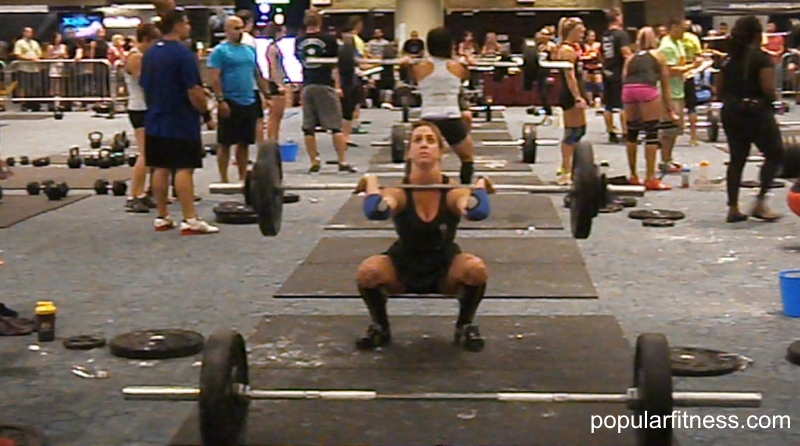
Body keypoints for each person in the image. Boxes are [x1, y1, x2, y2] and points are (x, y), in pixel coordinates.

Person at [354, 121, 490, 352]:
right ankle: (380, 327)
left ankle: (465, 326)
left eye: (430, 140)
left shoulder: (452, 190)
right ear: (409, 152)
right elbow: (377, 211)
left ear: (440, 151)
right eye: (417, 140)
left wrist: (479, 187)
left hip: (444, 265)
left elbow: (476, 211)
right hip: (403, 264)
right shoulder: (400, 191)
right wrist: (372, 182)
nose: (424, 145)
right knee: (368, 272)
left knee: (476, 270)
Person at [140, 9, 218, 234]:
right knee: (185, 168)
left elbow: (146, 85)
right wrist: (205, 113)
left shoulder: (151, 53)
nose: (189, 27)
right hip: (180, 120)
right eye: (186, 23)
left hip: (156, 118)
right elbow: (194, 90)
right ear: (176, 25)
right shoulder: (183, 54)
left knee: (161, 168)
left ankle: (162, 217)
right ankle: (190, 219)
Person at [717, 16, 783, 223]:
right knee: (775, 153)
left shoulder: (727, 59)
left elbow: (718, 90)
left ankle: (733, 207)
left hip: (730, 111)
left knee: (737, 158)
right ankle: (760, 202)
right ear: (757, 34)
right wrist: (775, 100)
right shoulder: (762, 58)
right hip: (755, 112)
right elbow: (768, 88)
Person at [408, 26, 477, 185]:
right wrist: (469, 62)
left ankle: (410, 190)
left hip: (428, 119)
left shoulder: (418, 67)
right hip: (451, 119)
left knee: (414, 157)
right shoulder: (459, 67)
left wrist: (406, 61)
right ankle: (465, 191)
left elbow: (409, 75)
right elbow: (468, 76)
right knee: (467, 158)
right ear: (450, 45)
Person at [208, 16, 270, 184]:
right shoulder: (220, 51)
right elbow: (214, 78)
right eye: (235, 28)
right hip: (230, 100)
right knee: (225, 142)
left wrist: (267, 93)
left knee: (244, 143)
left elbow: (257, 73)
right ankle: (224, 178)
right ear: (227, 30)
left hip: (248, 100)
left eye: (241, 27)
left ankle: (243, 177)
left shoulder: (249, 50)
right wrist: (221, 100)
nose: (240, 31)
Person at [295, 9, 356, 173]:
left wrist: (301, 87)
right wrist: (337, 86)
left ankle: (314, 160)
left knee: (308, 127)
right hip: (325, 85)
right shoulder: (329, 40)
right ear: (320, 22)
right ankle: (342, 161)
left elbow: (302, 64)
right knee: (336, 127)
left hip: (308, 85)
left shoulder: (298, 41)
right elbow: (335, 66)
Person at [622, 27, 678, 191]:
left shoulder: (630, 57)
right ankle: (650, 178)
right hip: (647, 89)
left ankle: (633, 176)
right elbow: (665, 85)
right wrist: (670, 110)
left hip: (628, 91)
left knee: (632, 134)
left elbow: (625, 78)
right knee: (651, 134)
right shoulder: (658, 56)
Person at [124, 23, 162, 213]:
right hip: (140, 109)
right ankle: (134, 196)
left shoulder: (144, 56)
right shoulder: (136, 57)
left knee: (153, 154)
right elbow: (145, 83)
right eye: (154, 42)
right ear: (146, 40)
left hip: (149, 107)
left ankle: (144, 192)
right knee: (145, 155)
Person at [658, 18, 698, 174]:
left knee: (676, 129)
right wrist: (691, 66)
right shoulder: (667, 46)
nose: (684, 32)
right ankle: (664, 160)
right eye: (682, 28)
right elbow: (668, 71)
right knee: (669, 128)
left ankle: (669, 159)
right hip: (669, 92)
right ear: (673, 27)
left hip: (678, 89)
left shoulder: (679, 43)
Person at [554, 18, 588, 186]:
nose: (583, 35)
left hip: (576, 93)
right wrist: (577, 97)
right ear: (572, 31)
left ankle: (573, 167)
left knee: (580, 131)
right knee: (572, 133)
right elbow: (570, 76)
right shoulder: (566, 50)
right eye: (580, 31)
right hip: (569, 95)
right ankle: (565, 170)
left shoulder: (573, 49)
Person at [600, 8, 632, 144]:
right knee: (622, 104)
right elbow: (626, 53)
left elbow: (601, 54)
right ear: (618, 18)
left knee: (608, 105)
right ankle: (626, 132)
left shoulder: (605, 35)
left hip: (607, 70)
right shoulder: (621, 34)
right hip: (620, 71)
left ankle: (611, 132)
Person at [265, 23, 289, 142]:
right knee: (275, 115)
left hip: (280, 80)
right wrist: (278, 84)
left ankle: (275, 138)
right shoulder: (272, 48)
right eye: (282, 32)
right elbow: (273, 67)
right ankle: (272, 139)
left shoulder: (276, 47)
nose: (284, 35)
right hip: (276, 83)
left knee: (278, 115)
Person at [682, 19, 703, 146]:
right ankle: (693, 137)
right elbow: (699, 56)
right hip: (689, 72)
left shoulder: (672, 39)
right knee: (691, 107)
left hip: (676, 73)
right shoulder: (694, 39)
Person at [13, 27, 42, 112]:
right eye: (27, 32)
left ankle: (33, 103)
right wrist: (29, 59)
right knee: (23, 87)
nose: (29, 34)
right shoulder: (19, 43)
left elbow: (39, 53)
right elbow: (17, 54)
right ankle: (23, 104)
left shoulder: (35, 43)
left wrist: (37, 59)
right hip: (24, 68)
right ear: (23, 33)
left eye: (31, 32)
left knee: (34, 87)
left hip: (34, 68)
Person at [582, 30, 603, 107]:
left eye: (593, 36)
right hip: (587, 66)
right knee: (588, 85)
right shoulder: (584, 46)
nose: (592, 38)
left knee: (599, 84)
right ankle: (590, 101)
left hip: (596, 66)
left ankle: (600, 101)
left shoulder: (598, 45)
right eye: (590, 36)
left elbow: (601, 55)